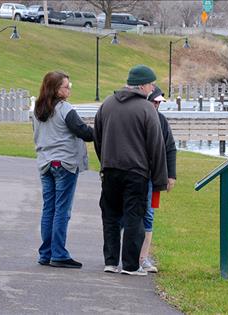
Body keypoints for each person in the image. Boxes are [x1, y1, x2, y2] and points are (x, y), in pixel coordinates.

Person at [94, 65, 168, 276]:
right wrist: (159, 178)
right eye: (151, 84)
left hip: (110, 170)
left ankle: (110, 261)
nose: (152, 88)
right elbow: (156, 146)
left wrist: (105, 161)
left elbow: (98, 138)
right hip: (136, 172)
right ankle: (130, 265)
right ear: (143, 85)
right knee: (134, 216)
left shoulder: (107, 104)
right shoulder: (146, 109)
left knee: (110, 216)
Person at [33, 71, 93, 269]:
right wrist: (103, 129)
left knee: (48, 208)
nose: (69, 90)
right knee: (62, 210)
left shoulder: (38, 109)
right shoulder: (65, 108)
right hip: (64, 163)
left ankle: (46, 253)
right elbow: (84, 133)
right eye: (65, 87)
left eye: (69, 86)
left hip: (45, 163)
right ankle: (58, 253)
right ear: (55, 89)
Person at [140, 86, 177, 273]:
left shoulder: (162, 122)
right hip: (136, 174)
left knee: (149, 214)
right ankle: (126, 254)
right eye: (154, 101)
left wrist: (171, 175)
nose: (156, 105)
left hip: (153, 177)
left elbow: (170, 147)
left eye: (158, 102)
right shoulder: (138, 118)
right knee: (127, 215)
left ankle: (143, 258)